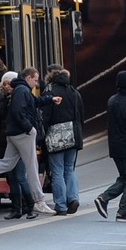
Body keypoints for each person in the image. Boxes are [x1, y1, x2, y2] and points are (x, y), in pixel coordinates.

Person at [0, 67, 60, 216]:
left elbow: (35, 102)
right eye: (35, 80)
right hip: (23, 134)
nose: (36, 83)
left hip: (13, 134)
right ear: (28, 78)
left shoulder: (19, 90)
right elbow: (18, 111)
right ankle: (39, 201)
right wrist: (29, 128)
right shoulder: (22, 90)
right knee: (32, 167)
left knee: (7, 162)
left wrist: (50, 99)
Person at [94, 71, 126, 222]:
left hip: (115, 146)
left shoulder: (112, 100)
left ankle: (103, 199)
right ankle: (123, 211)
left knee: (124, 177)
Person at [41, 68, 84, 215]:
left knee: (57, 171)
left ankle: (60, 205)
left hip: (56, 136)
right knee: (69, 168)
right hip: (73, 134)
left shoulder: (50, 91)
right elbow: (81, 116)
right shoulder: (74, 92)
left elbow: (45, 116)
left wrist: (42, 136)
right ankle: (73, 198)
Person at [0, 72, 35, 220]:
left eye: (8, 84)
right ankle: (17, 208)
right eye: (4, 85)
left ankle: (30, 207)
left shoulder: (20, 95)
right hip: (8, 141)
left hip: (20, 138)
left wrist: (29, 129)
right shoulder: (4, 100)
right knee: (12, 177)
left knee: (20, 176)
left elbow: (23, 115)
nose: (6, 87)